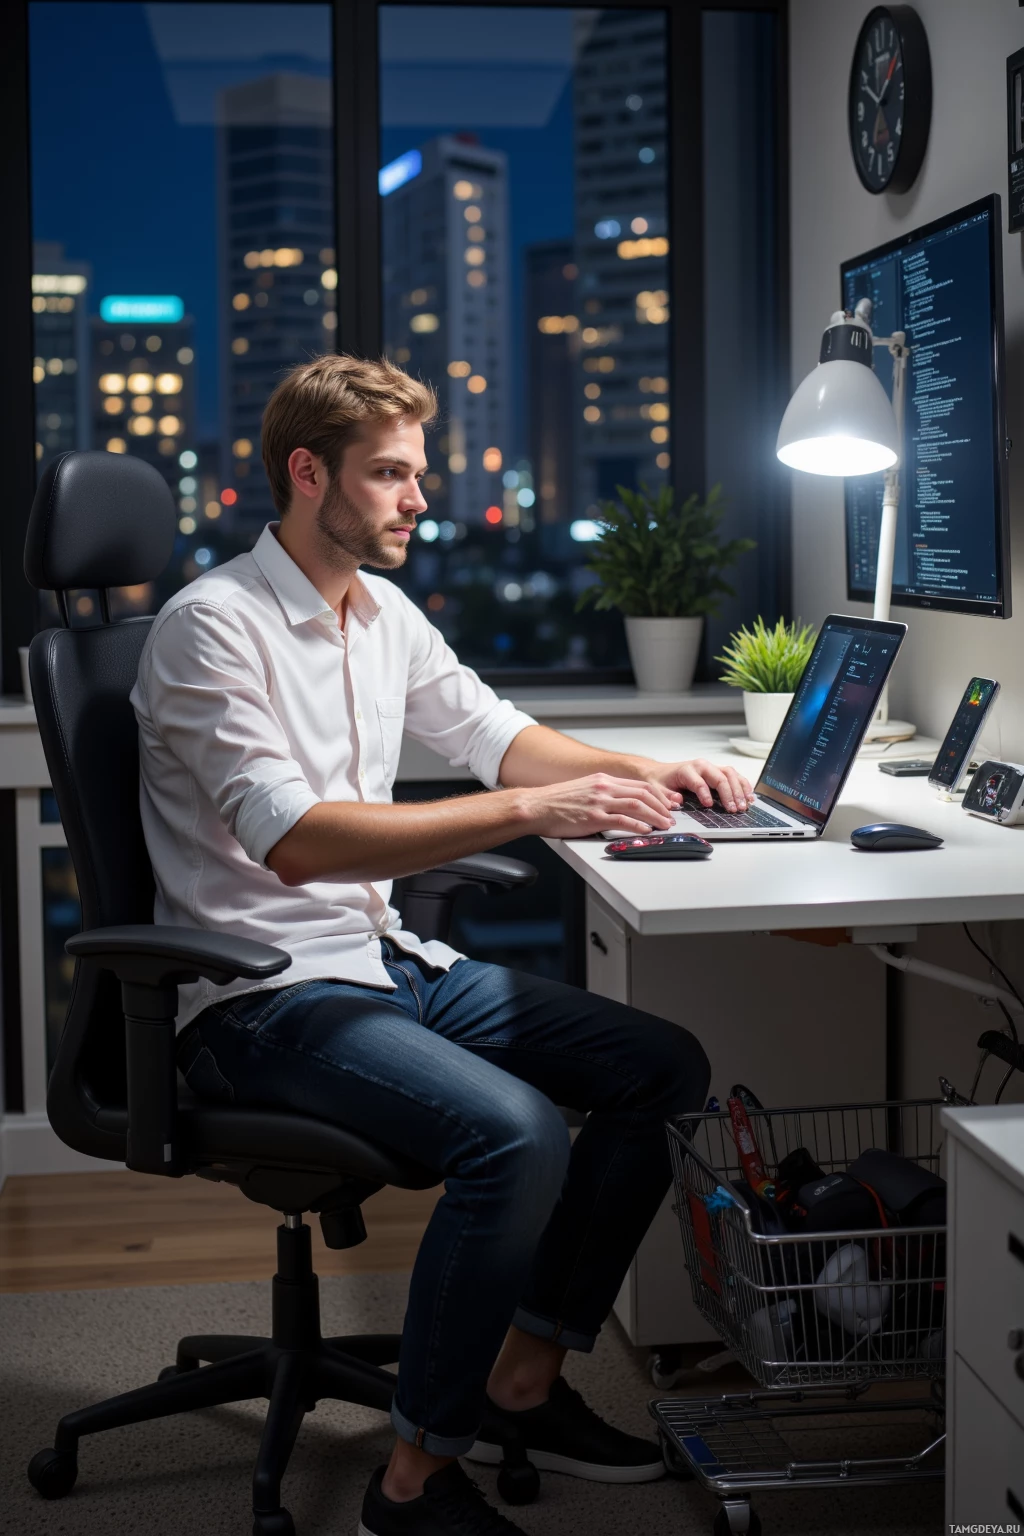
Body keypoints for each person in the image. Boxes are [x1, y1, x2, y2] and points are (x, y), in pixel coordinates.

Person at [130, 354, 753, 1536]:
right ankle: (409, 1485)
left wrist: (642, 769)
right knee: (512, 1139)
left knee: (659, 1067)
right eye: (391, 476)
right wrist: (536, 812)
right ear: (308, 474)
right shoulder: (211, 629)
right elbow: (300, 843)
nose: (421, 500)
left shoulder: (379, 610)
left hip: (378, 963)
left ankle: (523, 1381)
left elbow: (495, 735)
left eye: (420, 473)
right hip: (253, 999)